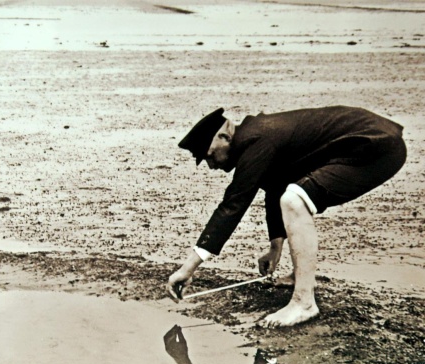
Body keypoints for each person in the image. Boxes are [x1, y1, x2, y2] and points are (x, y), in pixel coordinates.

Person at [166, 106, 406, 327]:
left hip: (377, 147)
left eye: (209, 156)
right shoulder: (256, 135)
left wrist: (188, 268)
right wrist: (275, 248)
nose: (211, 165)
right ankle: (301, 278)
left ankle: (304, 303)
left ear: (224, 137)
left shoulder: (257, 140)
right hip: (375, 141)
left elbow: (232, 206)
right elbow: (276, 185)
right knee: (290, 194)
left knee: (294, 200)